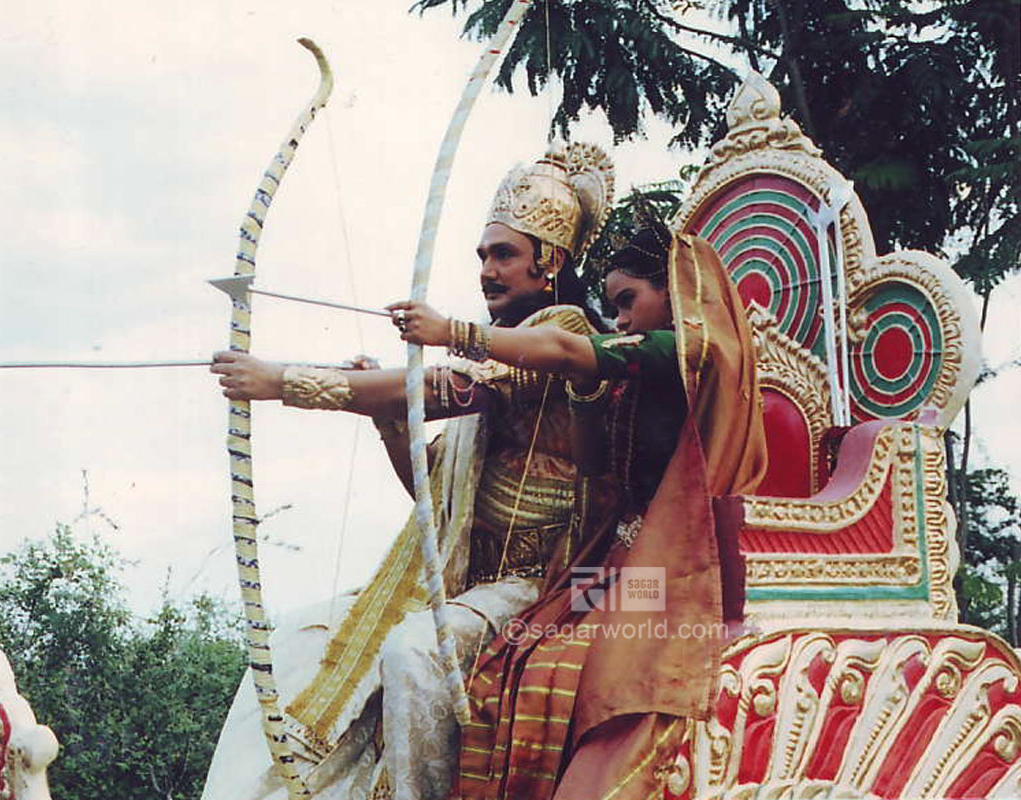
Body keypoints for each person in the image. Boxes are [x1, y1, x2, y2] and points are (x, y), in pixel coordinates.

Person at [201, 142, 616, 800]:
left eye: (504, 254)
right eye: (482, 255)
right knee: (301, 637)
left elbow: (448, 390)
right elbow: (432, 490)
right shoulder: (496, 345)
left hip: (534, 583)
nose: (487, 270)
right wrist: (389, 422)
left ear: (551, 262)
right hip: (458, 576)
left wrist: (280, 382)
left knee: (413, 652)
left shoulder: (558, 335)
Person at [390, 215, 768, 799]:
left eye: (628, 301)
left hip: (680, 574)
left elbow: (569, 349)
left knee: (556, 662)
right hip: (621, 566)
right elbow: (592, 465)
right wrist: (585, 395)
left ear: (673, 292)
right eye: (612, 307)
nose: (619, 320)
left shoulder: (690, 350)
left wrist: (452, 332)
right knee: (516, 650)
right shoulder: (638, 371)